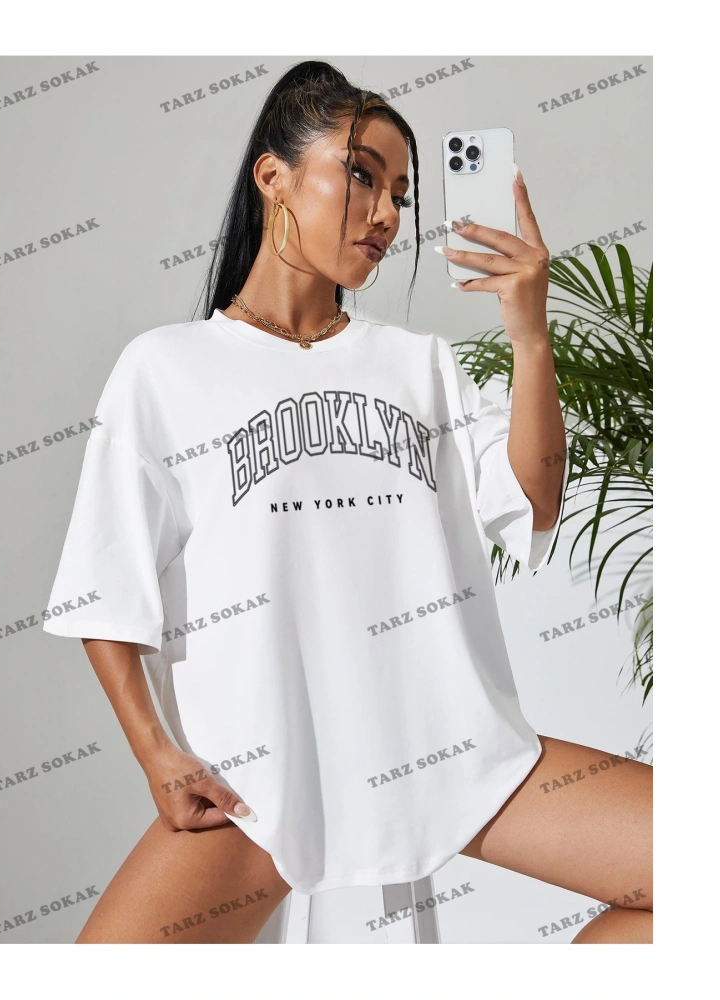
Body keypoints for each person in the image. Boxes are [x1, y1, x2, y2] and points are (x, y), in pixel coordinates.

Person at [42, 60, 654, 944]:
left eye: (401, 193)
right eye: (362, 175)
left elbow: (538, 498)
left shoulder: (420, 366)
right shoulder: (165, 370)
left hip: (458, 758)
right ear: (273, 175)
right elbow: (106, 586)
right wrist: (157, 754)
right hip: (263, 787)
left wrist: (529, 335)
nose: (387, 214)